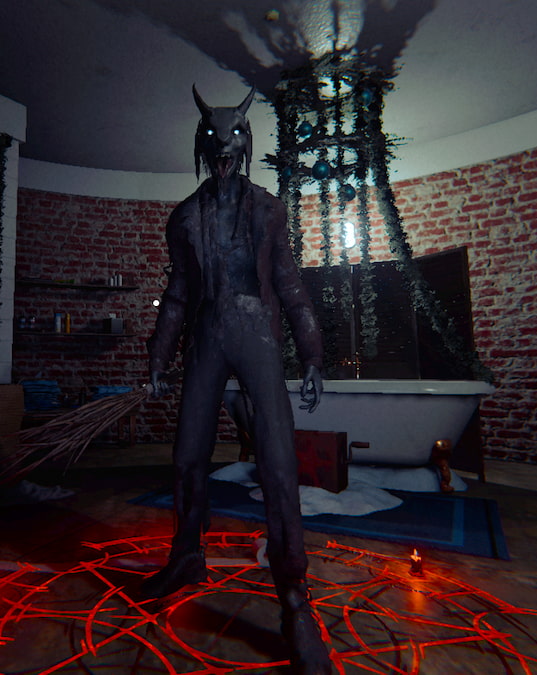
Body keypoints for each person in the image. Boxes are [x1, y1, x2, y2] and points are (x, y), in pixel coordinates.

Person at [144, 85, 332, 674]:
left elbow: (290, 283)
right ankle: (186, 556)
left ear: (246, 142)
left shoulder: (268, 210)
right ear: (202, 144)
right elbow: (178, 294)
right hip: (206, 333)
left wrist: (312, 353)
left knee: (277, 460)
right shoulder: (184, 217)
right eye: (214, 138)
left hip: (257, 333)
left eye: (234, 137)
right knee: (186, 456)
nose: (224, 148)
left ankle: (294, 598)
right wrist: (158, 356)